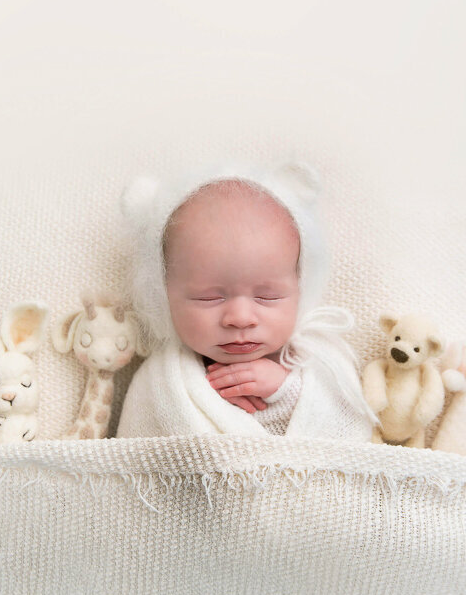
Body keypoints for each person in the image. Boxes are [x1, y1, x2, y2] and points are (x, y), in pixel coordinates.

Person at [116, 161, 373, 440]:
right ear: (164, 296)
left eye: (267, 296)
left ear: (301, 289)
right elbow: (138, 458)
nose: (240, 317)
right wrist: (205, 398)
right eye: (209, 297)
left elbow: (349, 423)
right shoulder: (162, 381)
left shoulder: (318, 363)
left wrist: (286, 390)